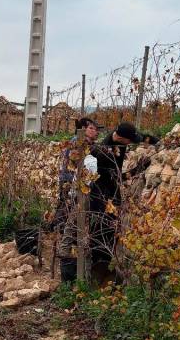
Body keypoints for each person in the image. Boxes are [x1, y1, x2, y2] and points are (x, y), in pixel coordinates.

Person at [88, 122, 141, 283]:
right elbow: (118, 177)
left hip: (111, 194)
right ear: (119, 137)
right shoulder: (104, 153)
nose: (130, 143)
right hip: (102, 198)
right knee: (103, 233)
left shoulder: (117, 140)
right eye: (129, 140)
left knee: (108, 232)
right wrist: (138, 169)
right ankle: (100, 273)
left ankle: (104, 271)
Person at [51, 118, 99, 232]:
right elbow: (77, 162)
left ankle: (62, 230)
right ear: (83, 129)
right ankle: (58, 229)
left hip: (76, 179)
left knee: (71, 206)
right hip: (69, 178)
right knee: (67, 204)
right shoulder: (76, 142)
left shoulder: (89, 144)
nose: (94, 131)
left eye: (95, 129)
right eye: (91, 128)